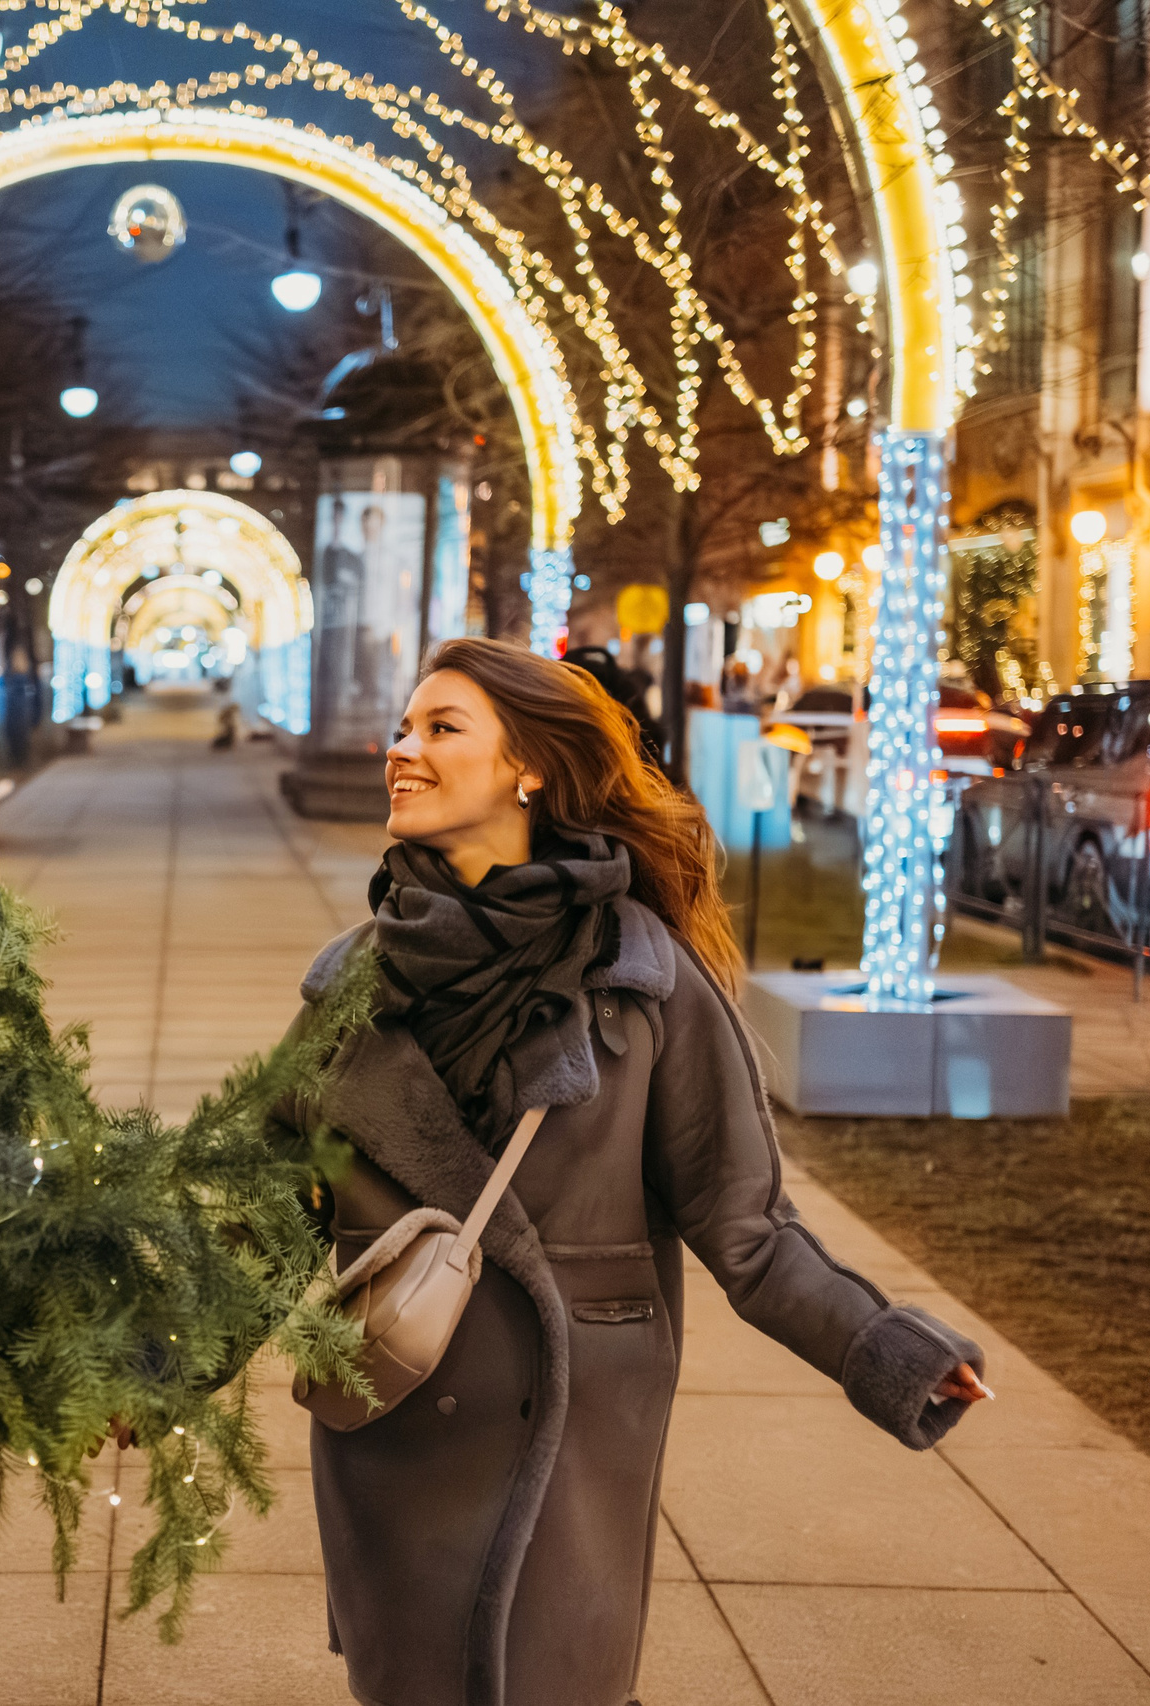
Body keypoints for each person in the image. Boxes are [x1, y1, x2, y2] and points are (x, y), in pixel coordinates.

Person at [284, 636, 988, 1706]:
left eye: (440, 727)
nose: (401, 751)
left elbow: (745, 1226)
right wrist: (144, 1363)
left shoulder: (642, 979)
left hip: (566, 1437)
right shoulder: (350, 986)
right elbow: (258, 1210)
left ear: (530, 767)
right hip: (392, 1422)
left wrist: (882, 1349)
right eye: (401, 727)